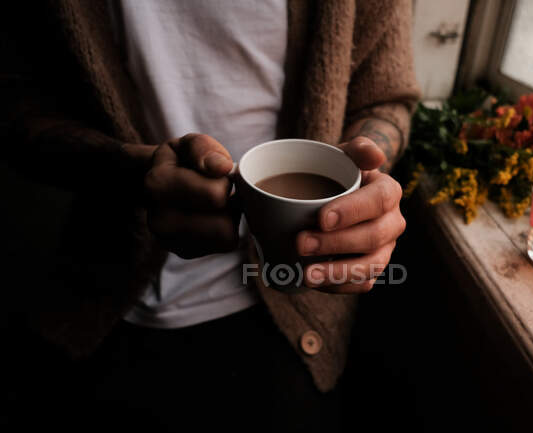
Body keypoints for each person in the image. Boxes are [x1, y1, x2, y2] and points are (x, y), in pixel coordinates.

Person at [3, 0, 419, 431]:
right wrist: (131, 171)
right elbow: (15, 102)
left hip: (298, 322)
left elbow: (387, 98)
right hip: (104, 302)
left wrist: (365, 178)